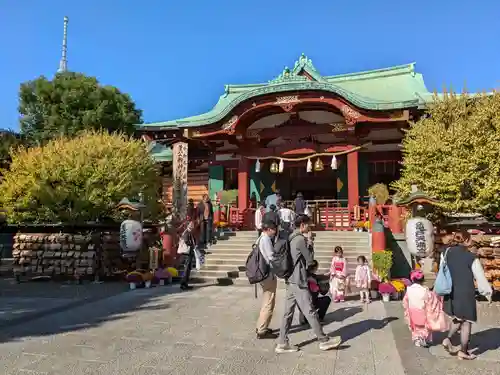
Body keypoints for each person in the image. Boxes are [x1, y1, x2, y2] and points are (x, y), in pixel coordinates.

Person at [276, 214, 342, 353]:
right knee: (310, 311)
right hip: (299, 280)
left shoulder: (291, 237)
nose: (309, 227)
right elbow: (310, 261)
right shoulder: (300, 239)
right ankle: (323, 340)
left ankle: (282, 342)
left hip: (291, 279)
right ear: (302, 225)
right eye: (308, 225)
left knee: (288, 312)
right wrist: (310, 242)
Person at [441, 230, 492, 360]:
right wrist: (487, 292)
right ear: (467, 240)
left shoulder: (446, 253)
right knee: (466, 322)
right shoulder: (470, 257)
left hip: (451, 291)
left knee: (458, 317)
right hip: (465, 292)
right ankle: (463, 351)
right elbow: (479, 277)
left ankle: (448, 339)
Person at [403, 269, 448, 347]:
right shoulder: (425, 290)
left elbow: (405, 301)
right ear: (423, 280)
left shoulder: (409, 289)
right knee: (424, 327)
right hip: (422, 312)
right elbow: (432, 301)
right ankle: (425, 339)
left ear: (412, 279)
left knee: (416, 327)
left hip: (412, 311)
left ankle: (417, 338)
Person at [255, 221, 279, 339]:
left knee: (266, 300)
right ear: (268, 229)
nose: (275, 231)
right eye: (274, 229)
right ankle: (262, 329)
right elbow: (271, 257)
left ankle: (261, 325)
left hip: (262, 274)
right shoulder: (266, 239)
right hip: (268, 274)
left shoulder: (260, 238)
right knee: (269, 302)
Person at [298, 260, 331, 326]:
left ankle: (304, 318)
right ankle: (317, 319)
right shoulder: (313, 279)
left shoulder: (304, 276)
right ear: (315, 268)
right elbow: (323, 292)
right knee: (326, 299)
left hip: (301, 304)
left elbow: (317, 276)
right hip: (310, 303)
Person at [180, 220, 196, 291]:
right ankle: (183, 283)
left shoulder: (189, 232)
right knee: (186, 269)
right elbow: (186, 241)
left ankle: (185, 283)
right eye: (191, 224)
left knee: (188, 269)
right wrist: (192, 244)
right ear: (187, 225)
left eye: (192, 224)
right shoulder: (186, 232)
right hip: (187, 253)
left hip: (189, 253)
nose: (192, 226)